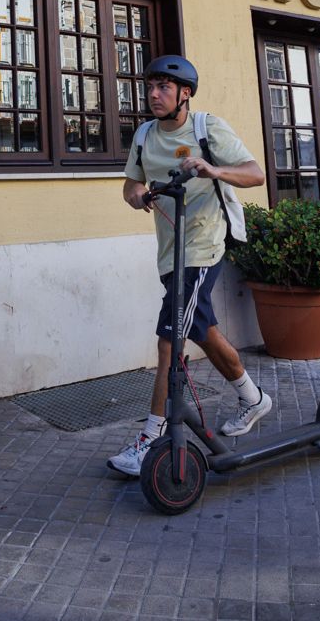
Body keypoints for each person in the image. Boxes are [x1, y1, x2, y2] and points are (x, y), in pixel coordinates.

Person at [108, 54, 271, 478]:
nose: (154, 94)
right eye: (151, 86)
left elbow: (255, 174)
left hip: (203, 244)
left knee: (169, 340)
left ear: (185, 94)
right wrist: (138, 197)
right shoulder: (144, 134)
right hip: (170, 249)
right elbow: (130, 184)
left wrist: (211, 168)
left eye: (164, 87)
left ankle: (150, 438)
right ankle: (253, 398)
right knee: (201, 328)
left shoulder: (206, 128)